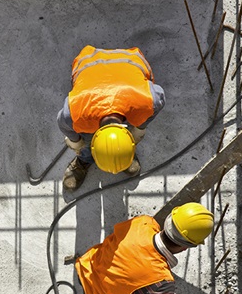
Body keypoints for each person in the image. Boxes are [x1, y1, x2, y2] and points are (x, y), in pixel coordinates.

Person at [75, 202, 213, 294]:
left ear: (168, 220)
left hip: (87, 269)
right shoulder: (161, 283)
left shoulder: (143, 223)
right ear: (186, 247)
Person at [57, 45, 166, 192]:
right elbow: (63, 123)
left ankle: (121, 154)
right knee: (84, 139)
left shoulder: (147, 101)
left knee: (104, 137)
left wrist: (140, 128)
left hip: (131, 59)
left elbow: (159, 97)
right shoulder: (75, 114)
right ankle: (84, 159)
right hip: (89, 60)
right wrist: (76, 143)